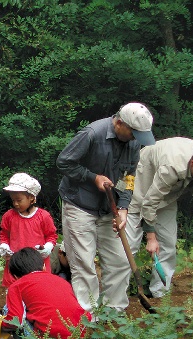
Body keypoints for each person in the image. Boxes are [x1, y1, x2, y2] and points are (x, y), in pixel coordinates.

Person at [56, 102, 155, 313]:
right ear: (119, 123)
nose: (136, 139)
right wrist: (93, 178)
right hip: (79, 205)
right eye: (134, 133)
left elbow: (128, 177)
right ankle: (87, 315)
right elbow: (64, 162)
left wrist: (124, 207)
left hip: (110, 207)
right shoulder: (92, 134)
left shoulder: (133, 144)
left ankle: (114, 311)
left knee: (120, 260)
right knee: (84, 263)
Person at [118, 137, 193, 298]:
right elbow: (150, 202)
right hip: (139, 186)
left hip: (166, 195)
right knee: (129, 246)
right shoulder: (172, 167)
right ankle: (117, 296)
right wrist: (151, 238)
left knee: (168, 243)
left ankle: (160, 294)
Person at [0, 248, 90, 339]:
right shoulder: (62, 281)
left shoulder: (17, 286)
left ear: (15, 277)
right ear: (43, 266)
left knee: (8, 309)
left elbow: (15, 321)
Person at [0, 173, 58, 288]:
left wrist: (48, 247)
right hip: (15, 264)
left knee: (37, 290)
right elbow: (4, 235)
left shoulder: (43, 216)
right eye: (13, 200)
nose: (15, 203)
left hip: (37, 264)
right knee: (15, 290)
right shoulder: (9, 216)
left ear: (31, 198)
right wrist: (4, 246)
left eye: (19, 200)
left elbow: (51, 235)